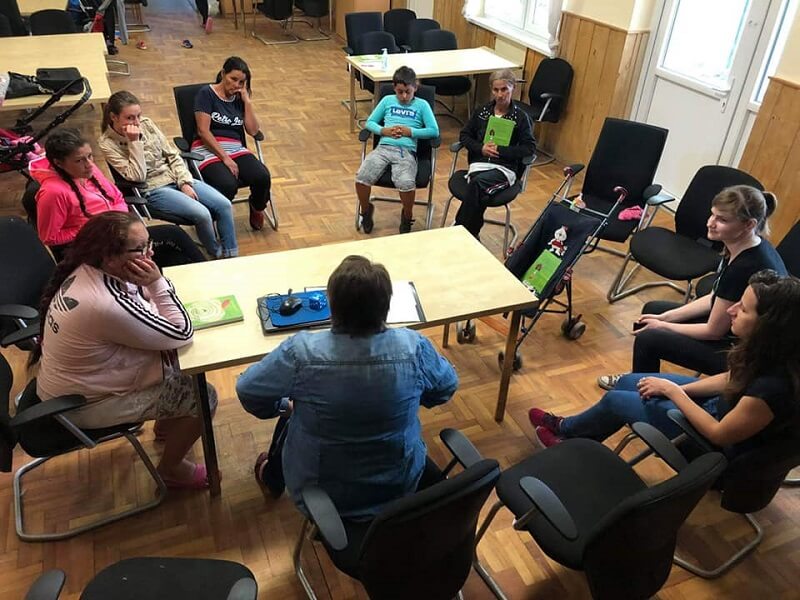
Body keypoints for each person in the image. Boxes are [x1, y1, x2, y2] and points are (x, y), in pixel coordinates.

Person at [236, 255, 458, 518]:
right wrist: (409, 396)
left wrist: (284, 406)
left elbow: (247, 390)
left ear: (332, 307)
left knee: (294, 414)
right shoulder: (414, 347)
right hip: (398, 487)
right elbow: (446, 387)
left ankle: (272, 476)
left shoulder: (301, 353)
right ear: (386, 307)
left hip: (323, 493)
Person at [32, 212, 217, 489]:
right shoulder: (103, 303)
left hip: (70, 385)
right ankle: (171, 469)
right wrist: (156, 283)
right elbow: (181, 332)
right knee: (204, 396)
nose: (150, 252)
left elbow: (140, 304)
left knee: (177, 369)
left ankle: (167, 428)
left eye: (148, 243)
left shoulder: (89, 269)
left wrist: (151, 292)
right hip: (80, 405)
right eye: (140, 248)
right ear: (109, 257)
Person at [530, 270, 800, 455]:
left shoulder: (772, 388)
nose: (731, 309)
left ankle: (567, 433)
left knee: (615, 400)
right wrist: (677, 389)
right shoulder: (769, 351)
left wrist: (673, 391)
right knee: (628, 382)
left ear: (768, 326)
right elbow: (732, 379)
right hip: (715, 407)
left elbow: (719, 435)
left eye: (743, 308)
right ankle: (574, 437)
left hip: (711, 447)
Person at [598, 185, 787, 389]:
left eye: (722, 220)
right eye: (712, 214)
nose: (710, 223)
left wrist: (663, 326)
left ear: (749, 224)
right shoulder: (745, 245)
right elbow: (716, 296)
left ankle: (638, 391)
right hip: (735, 329)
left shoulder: (745, 266)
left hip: (748, 359)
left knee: (649, 338)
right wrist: (665, 317)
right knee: (654, 311)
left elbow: (713, 331)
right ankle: (639, 380)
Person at [30, 128, 205, 267]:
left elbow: (117, 197)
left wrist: (119, 221)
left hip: (118, 233)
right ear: (59, 163)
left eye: (90, 156)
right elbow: (50, 237)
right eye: (79, 160)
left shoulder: (89, 170)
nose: (89, 164)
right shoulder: (53, 193)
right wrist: (97, 226)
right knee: (172, 238)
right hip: (94, 248)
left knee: (175, 253)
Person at [99, 91, 238, 259]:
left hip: (175, 177)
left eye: (138, 116)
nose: (137, 123)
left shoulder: (147, 124)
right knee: (202, 214)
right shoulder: (107, 144)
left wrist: (184, 182)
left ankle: (231, 255)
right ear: (113, 117)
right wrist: (134, 142)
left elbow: (172, 155)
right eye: (130, 118)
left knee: (224, 205)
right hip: (153, 188)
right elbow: (137, 176)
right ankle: (216, 254)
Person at [355, 66, 439, 235]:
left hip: (405, 151)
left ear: (415, 87)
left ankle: (407, 216)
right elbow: (370, 122)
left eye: (408, 92)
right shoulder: (387, 100)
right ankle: (366, 211)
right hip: (384, 148)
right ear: (394, 88)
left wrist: (411, 132)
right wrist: (383, 131)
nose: (404, 96)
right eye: (400, 92)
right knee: (362, 178)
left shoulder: (422, 105)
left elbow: (434, 131)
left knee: (406, 183)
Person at [454, 69, 536, 239]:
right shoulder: (482, 112)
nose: (500, 95)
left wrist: (501, 150)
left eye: (504, 89)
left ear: (513, 88)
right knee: (481, 194)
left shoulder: (521, 117)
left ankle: (459, 229)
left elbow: (529, 148)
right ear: (491, 90)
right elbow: (465, 135)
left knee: (477, 185)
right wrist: (480, 148)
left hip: (504, 169)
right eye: (496, 90)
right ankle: (471, 234)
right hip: (479, 164)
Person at [193, 56, 271, 231]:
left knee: (262, 177)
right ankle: (217, 216)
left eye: (241, 82)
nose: (236, 85)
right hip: (206, 149)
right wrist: (225, 158)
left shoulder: (239, 98)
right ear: (223, 74)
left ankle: (257, 207)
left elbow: (253, 130)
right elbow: (203, 131)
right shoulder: (206, 94)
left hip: (235, 148)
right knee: (227, 184)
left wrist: (247, 102)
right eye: (233, 79)